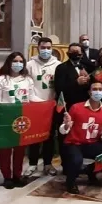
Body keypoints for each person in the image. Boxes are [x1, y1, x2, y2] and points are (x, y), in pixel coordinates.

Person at [0, 52, 41, 189]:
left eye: (20, 61)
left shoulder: (27, 79)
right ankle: (7, 176)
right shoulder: (1, 79)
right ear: (9, 62)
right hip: (6, 117)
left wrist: (46, 104)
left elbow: (32, 97)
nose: (17, 64)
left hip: (22, 118)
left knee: (20, 149)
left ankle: (17, 175)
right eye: (15, 61)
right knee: (5, 149)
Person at [59, 82, 102, 194]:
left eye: (100, 89)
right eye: (95, 89)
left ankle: (90, 172)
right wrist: (66, 125)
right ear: (89, 92)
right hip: (74, 143)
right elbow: (63, 130)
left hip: (92, 143)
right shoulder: (76, 107)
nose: (97, 92)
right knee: (76, 160)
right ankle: (71, 182)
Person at [25, 37, 62, 177]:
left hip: (51, 105)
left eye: (48, 48)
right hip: (35, 106)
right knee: (33, 136)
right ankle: (33, 164)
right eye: (43, 47)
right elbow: (27, 84)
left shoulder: (57, 64)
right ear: (38, 48)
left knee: (50, 136)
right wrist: (34, 101)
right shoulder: (30, 65)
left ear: (52, 48)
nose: (45, 50)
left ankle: (48, 164)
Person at [54, 43, 95, 111]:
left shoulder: (86, 67)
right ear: (68, 53)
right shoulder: (61, 68)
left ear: (82, 54)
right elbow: (59, 89)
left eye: (77, 52)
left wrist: (89, 80)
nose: (75, 54)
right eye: (73, 52)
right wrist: (76, 82)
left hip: (84, 104)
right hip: (69, 105)